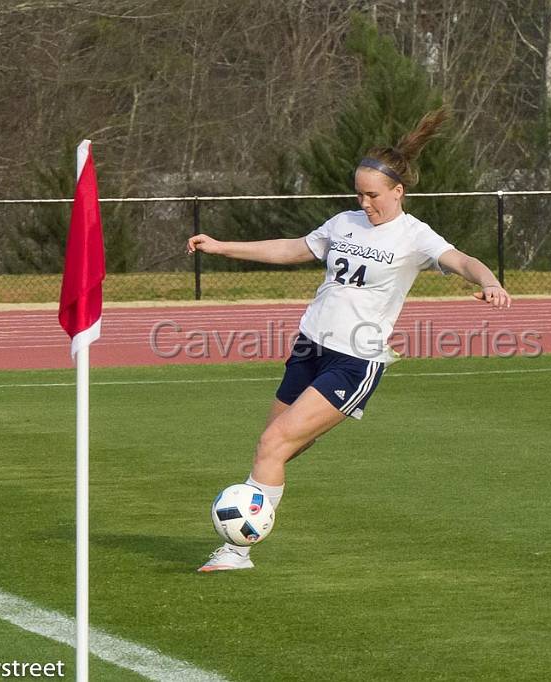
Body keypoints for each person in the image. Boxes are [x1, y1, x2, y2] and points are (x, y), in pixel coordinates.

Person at [187, 108, 511, 572]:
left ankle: (238, 548)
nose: (365, 203)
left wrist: (491, 282)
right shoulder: (343, 223)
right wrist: (222, 247)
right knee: (272, 445)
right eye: (359, 193)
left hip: (355, 360)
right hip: (309, 346)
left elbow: (462, 261)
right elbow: (294, 248)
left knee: (276, 441)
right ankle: (249, 518)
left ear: (398, 191)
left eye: (374, 194)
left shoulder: (415, 236)